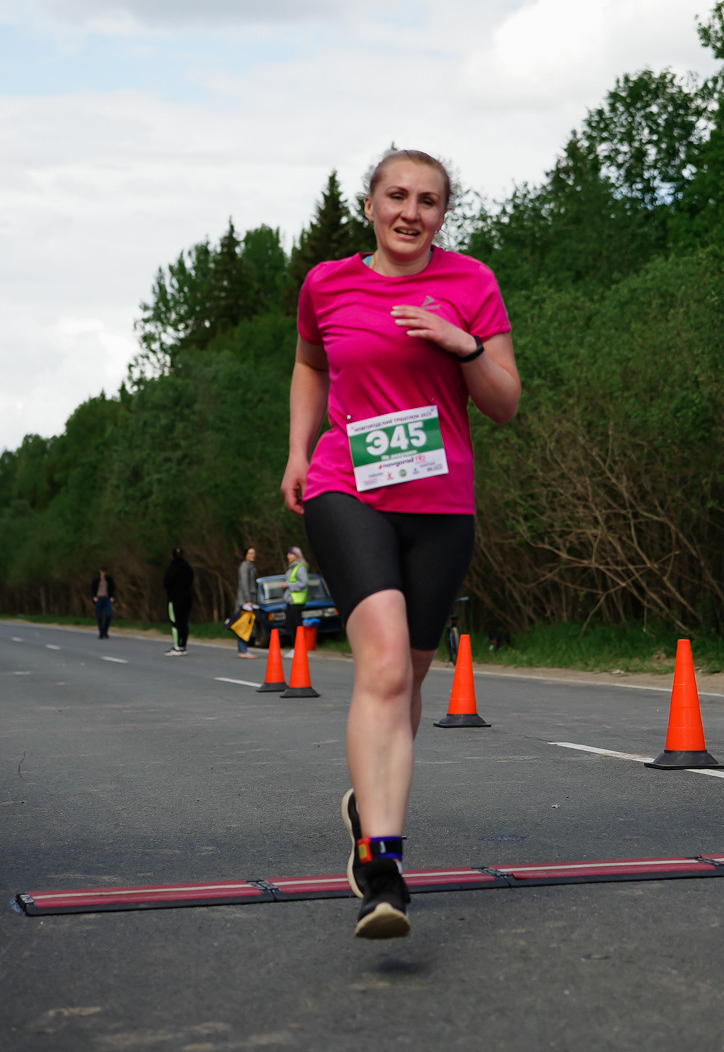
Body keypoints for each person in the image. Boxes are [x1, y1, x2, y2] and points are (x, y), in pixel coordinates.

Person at [281, 146, 519, 941]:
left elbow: (506, 405)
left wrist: (465, 345)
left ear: (444, 213)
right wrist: (297, 451)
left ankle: (365, 803)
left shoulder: (471, 285)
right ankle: (382, 866)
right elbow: (310, 364)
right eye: (396, 196)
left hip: (441, 503)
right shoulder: (328, 284)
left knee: (409, 685)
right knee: (381, 664)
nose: (410, 212)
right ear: (372, 205)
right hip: (349, 488)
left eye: (428, 200)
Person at [162, 547, 194, 654]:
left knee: (175, 622)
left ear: (172, 556)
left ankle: (176, 647)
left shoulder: (172, 567)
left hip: (175, 598)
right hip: (187, 597)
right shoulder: (188, 567)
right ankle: (183, 645)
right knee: (184, 622)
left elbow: (166, 583)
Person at [235, 546, 261, 656]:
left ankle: (244, 649)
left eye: (254, 553)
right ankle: (243, 649)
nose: (253, 555)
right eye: (250, 553)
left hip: (250, 600)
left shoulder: (251, 566)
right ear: (245, 555)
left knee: (247, 625)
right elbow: (244, 584)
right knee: (243, 625)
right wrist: (248, 600)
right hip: (245, 601)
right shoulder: (244, 567)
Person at [91, 568, 116, 638]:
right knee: (99, 616)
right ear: (100, 571)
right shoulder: (96, 579)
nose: (103, 573)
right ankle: (101, 632)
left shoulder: (109, 579)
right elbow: (93, 589)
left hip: (107, 599)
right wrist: (94, 597)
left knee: (108, 614)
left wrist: (112, 597)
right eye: (102, 571)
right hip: (99, 598)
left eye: (104, 571)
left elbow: (112, 588)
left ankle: (105, 630)